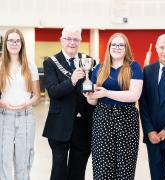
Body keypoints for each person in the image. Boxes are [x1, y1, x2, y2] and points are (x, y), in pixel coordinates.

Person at [85, 33, 143, 180]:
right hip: (102, 119)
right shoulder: (98, 69)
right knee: (102, 167)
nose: (117, 47)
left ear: (126, 48)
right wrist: (89, 97)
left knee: (125, 167)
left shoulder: (134, 67)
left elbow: (134, 95)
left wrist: (106, 93)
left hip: (127, 119)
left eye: (121, 45)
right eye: (114, 44)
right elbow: (93, 102)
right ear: (109, 47)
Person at [42, 27, 94, 180]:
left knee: (78, 171)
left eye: (76, 39)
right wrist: (72, 80)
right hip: (59, 124)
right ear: (61, 40)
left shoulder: (89, 60)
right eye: (68, 39)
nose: (72, 42)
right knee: (59, 171)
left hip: (83, 124)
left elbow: (91, 88)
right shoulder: (50, 62)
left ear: (80, 41)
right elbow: (53, 92)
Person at [0, 28, 40, 180]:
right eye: (11, 40)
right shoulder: (0, 65)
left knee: (24, 159)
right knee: (3, 158)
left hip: (26, 116)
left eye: (17, 40)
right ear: (6, 43)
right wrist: (4, 104)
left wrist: (26, 104)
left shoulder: (30, 66)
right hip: (4, 117)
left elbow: (36, 96)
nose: (14, 43)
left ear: (22, 43)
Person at [140, 34, 165, 180]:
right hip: (154, 137)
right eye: (161, 47)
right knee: (157, 177)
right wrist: (150, 131)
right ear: (156, 48)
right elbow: (143, 104)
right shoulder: (148, 71)